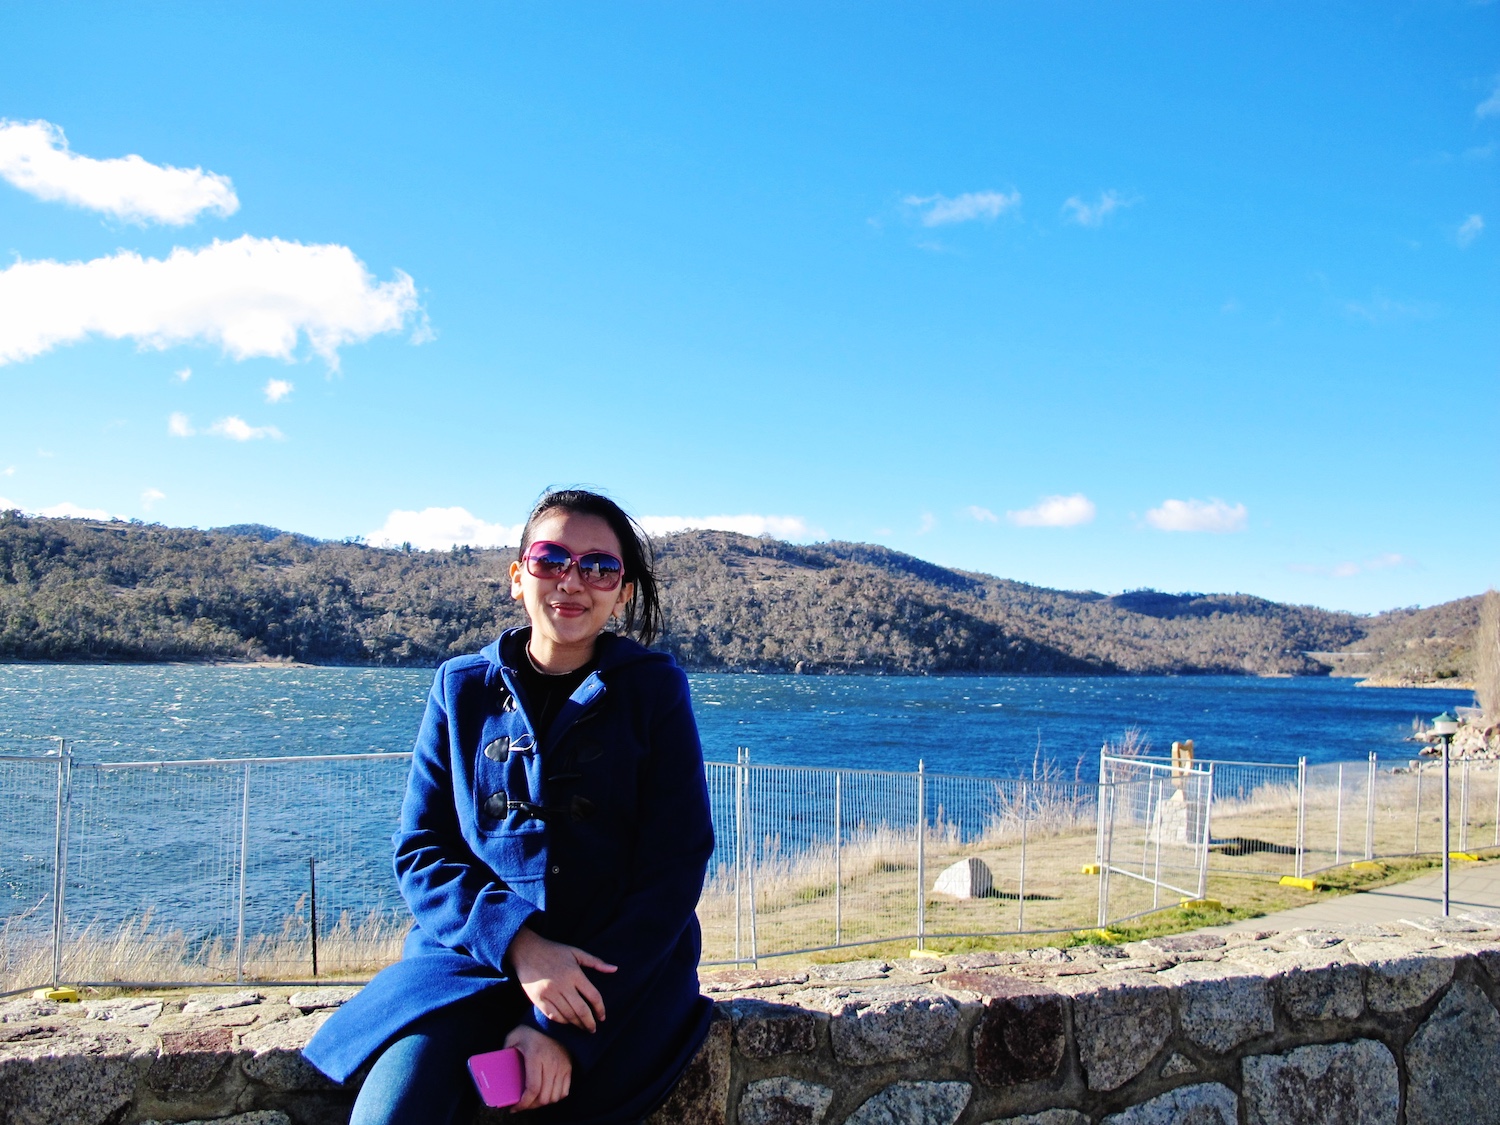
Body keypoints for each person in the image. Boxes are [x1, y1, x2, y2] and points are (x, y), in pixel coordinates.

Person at [304, 489, 715, 1124]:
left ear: (623, 591)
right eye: (552, 560)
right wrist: (521, 944)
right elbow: (422, 851)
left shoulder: (655, 689)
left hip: (615, 978)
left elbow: (674, 867)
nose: (573, 582)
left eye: (600, 567)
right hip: (473, 961)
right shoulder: (459, 687)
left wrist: (557, 1026)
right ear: (518, 576)